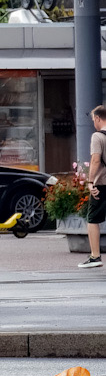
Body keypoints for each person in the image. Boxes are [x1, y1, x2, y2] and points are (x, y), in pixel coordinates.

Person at [81, 105, 106, 268]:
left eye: (93, 120)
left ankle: (95, 256)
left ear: (97, 118)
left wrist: (90, 182)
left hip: (102, 184)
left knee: (93, 219)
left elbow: (96, 160)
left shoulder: (98, 136)